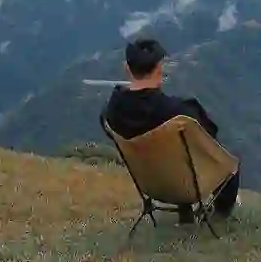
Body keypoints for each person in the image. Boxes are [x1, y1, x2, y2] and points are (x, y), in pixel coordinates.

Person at [100, 37, 240, 223]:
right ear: (159, 68)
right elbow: (210, 139)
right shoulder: (180, 112)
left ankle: (186, 212)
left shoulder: (111, 111)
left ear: (127, 68)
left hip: (149, 184)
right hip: (186, 185)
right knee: (227, 160)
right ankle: (220, 214)